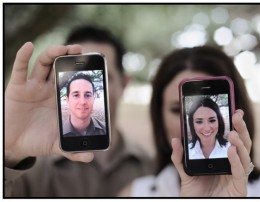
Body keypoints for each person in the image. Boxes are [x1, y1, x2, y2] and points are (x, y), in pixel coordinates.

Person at [119, 45, 260, 197]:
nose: (198, 126)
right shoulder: (134, 194)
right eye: (176, 110)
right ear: (159, 117)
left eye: (212, 118)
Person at [5, 25, 155, 197]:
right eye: (74, 88)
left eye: (102, 78)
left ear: (124, 84)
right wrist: (10, 152)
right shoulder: (28, 166)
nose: (83, 101)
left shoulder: (150, 168)